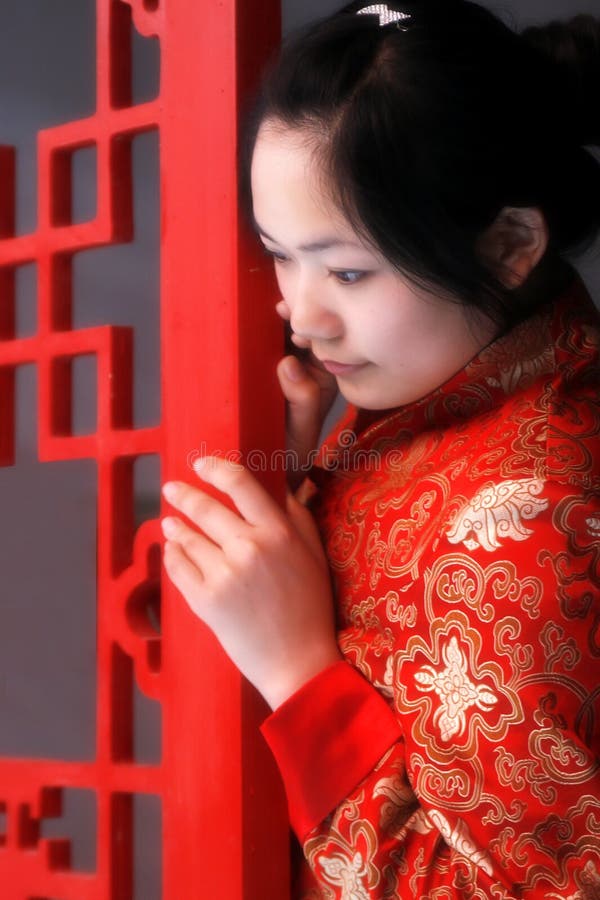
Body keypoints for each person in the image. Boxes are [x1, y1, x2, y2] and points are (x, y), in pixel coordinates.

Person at [161, 1, 600, 896]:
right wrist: (290, 483)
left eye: (349, 271)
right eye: (281, 256)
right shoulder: (433, 392)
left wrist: (298, 671)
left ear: (512, 244)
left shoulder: (545, 522)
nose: (303, 313)